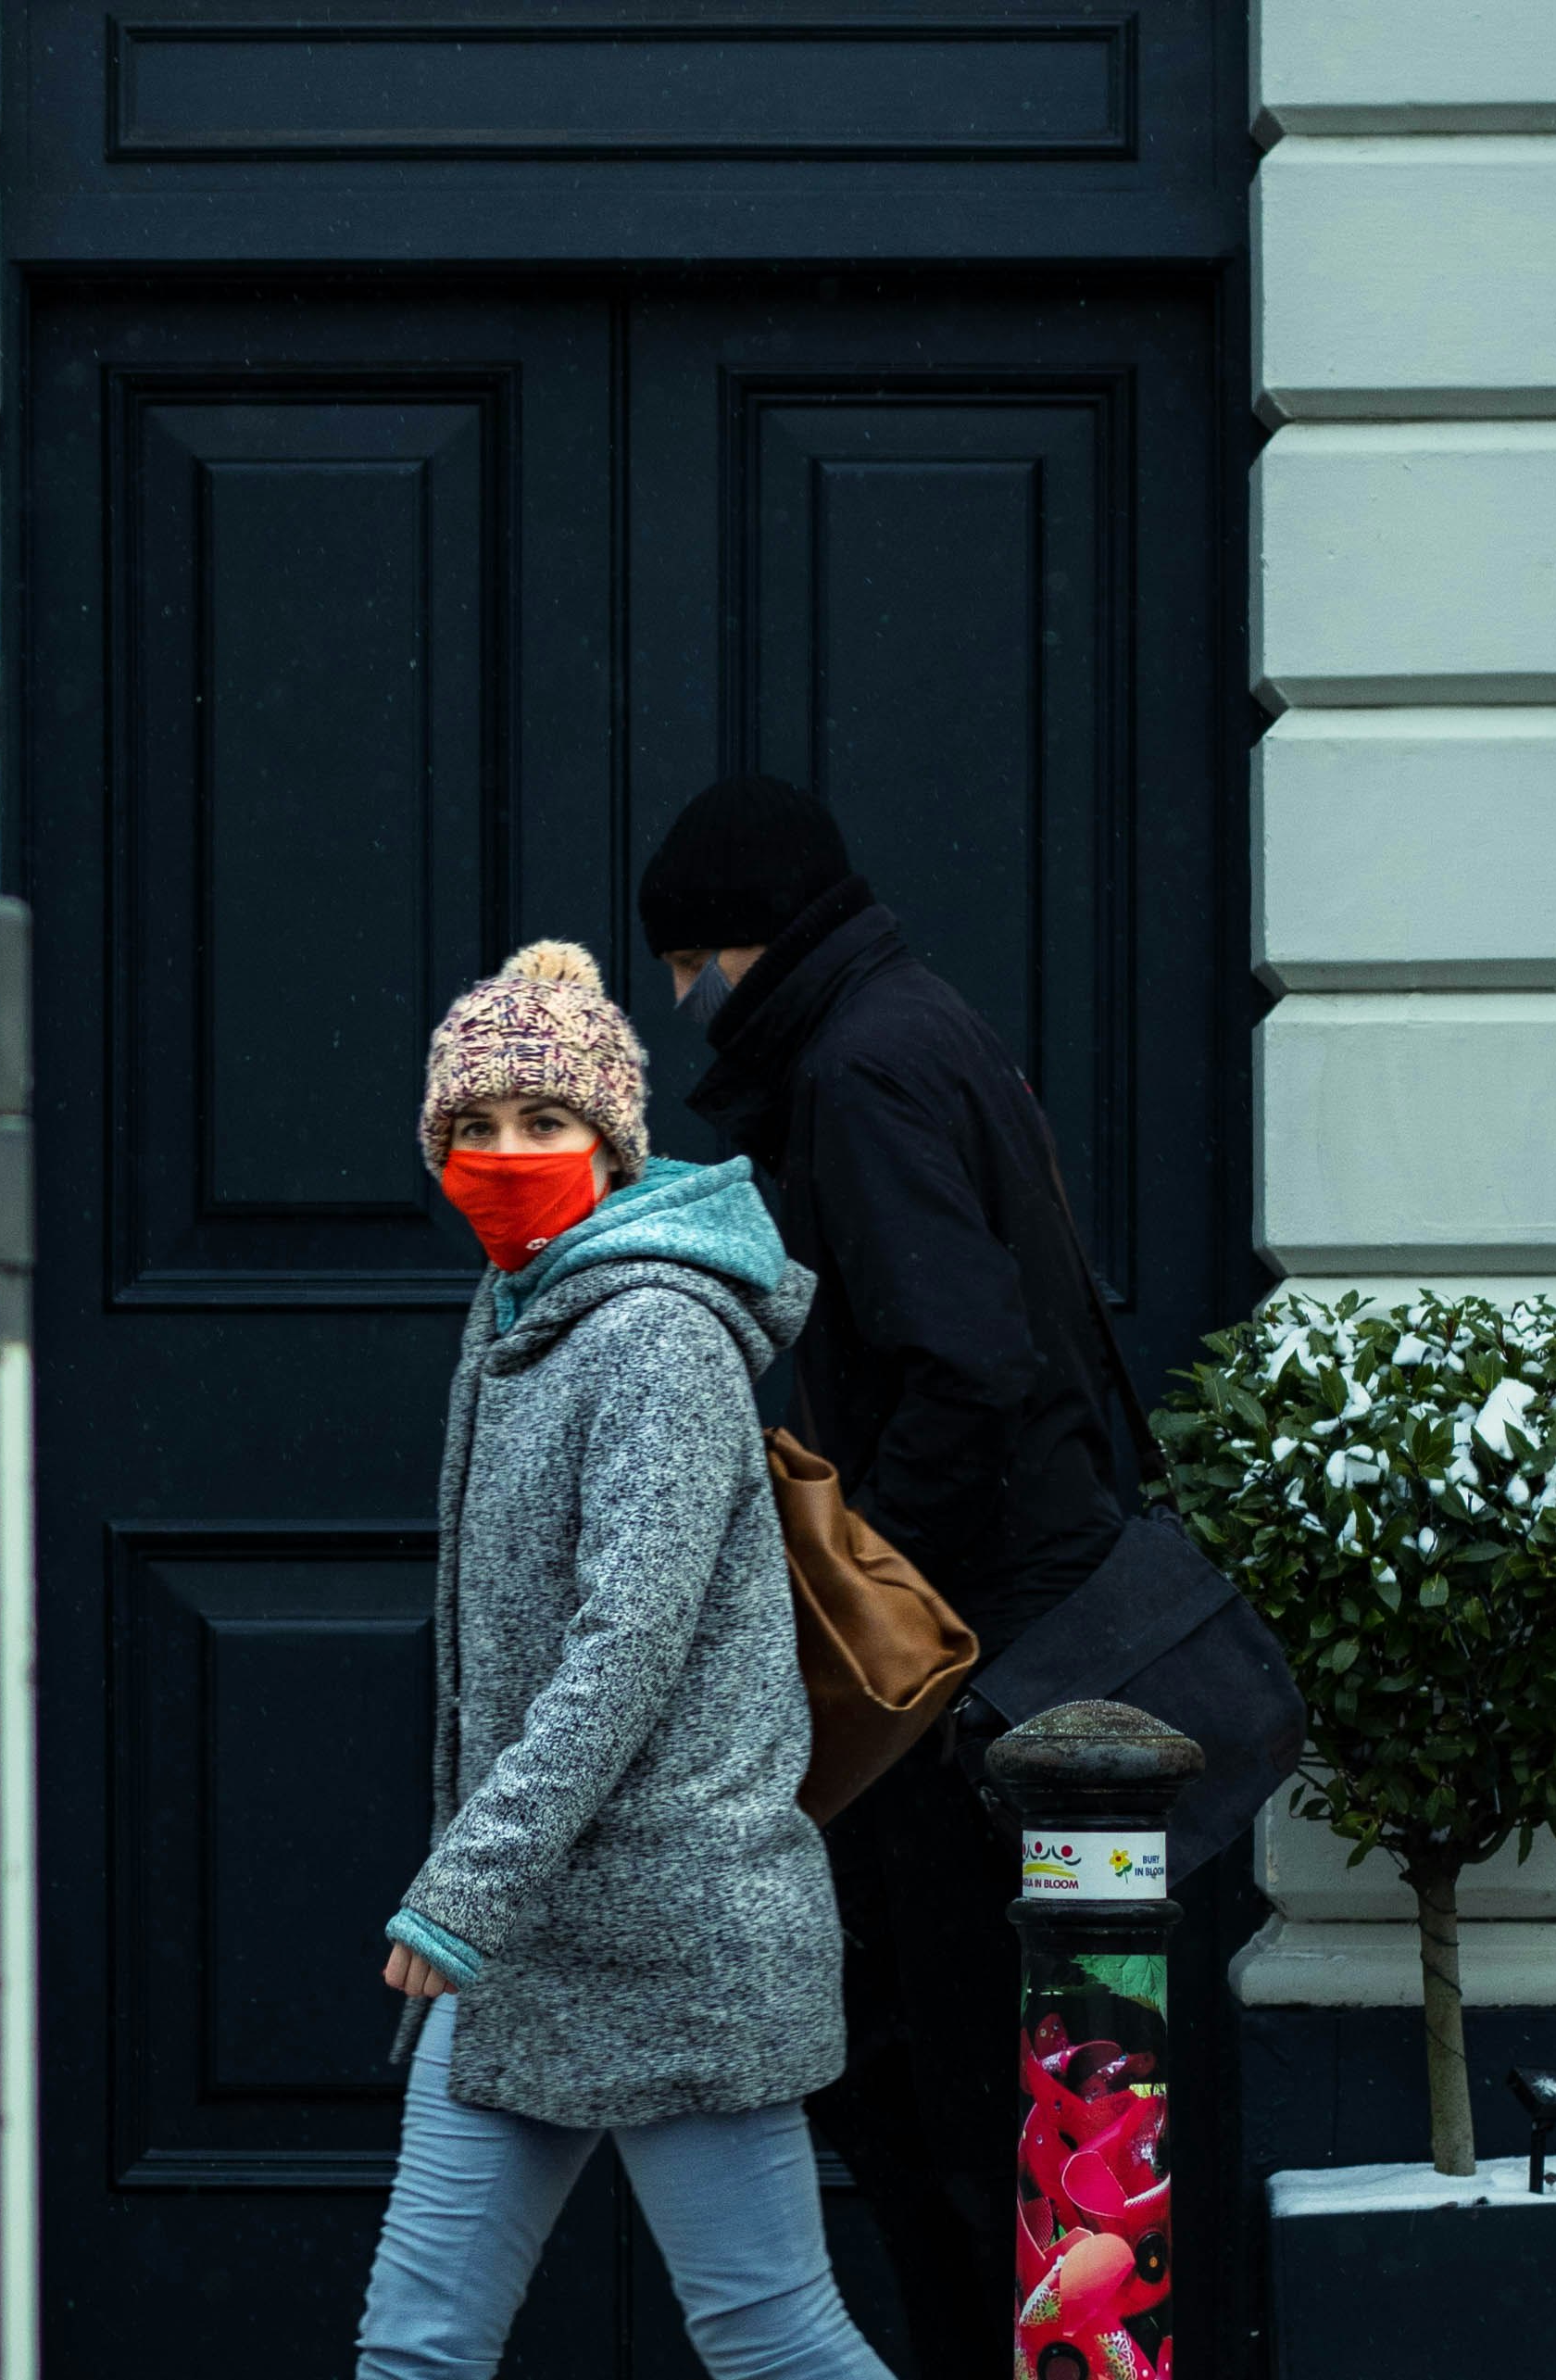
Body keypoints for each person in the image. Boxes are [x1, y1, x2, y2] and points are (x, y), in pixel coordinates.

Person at [642, 776, 1134, 2380]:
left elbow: (969, 1365)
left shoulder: (855, 1067)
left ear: (741, 950)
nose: (675, 1005)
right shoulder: (919, 1022)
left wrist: (865, 1598)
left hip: (978, 1677)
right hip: (1045, 1642)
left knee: (947, 2093)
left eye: (681, 965)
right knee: (1067, 2095)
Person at [358, 938, 893, 2380]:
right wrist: (491, 1894)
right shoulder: (520, 1311)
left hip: (671, 1931)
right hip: (534, 1935)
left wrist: (465, 1883)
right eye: (471, 1125)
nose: (502, 1153)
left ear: (610, 1141)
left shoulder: (651, 1330)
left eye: (543, 1122)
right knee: (416, 2344)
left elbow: (623, 1648)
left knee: (771, 2337)